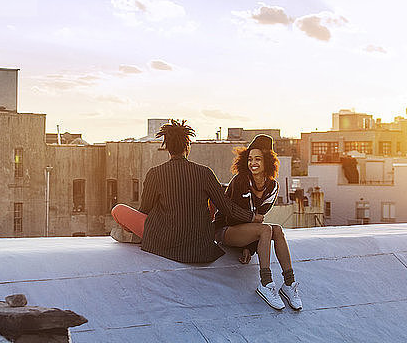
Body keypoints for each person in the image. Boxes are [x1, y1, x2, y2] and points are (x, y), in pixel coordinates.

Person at [111, 119, 262, 263]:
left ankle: (132, 236)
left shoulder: (155, 174)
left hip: (164, 242)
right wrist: (252, 217)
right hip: (200, 247)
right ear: (188, 146)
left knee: (118, 209)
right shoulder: (205, 173)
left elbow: (145, 210)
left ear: (167, 148)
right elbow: (226, 207)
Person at [213, 134, 303, 310]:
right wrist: (251, 219)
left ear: (267, 161)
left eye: (258, 159)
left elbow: (260, 218)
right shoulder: (240, 180)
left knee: (276, 230)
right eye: (250, 159)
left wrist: (249, 247)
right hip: (225, 230)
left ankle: (289, 283)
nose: (252, 163)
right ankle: (266, 283)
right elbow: (231, 215)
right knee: (265, 229)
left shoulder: (272, 187)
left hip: (246, 234)